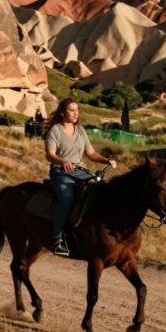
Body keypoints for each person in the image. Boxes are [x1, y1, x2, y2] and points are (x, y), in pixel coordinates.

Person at [44, 98, 117, 257]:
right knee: (66, 197)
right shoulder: (55, 131)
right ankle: (58, 239)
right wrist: (62, 161)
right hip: (61, 173)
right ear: (63, 112)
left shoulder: (81, 130)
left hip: (81, 172)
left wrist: (106, 160)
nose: (75, 113)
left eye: (77, 110)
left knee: (100, 189)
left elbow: (91, 153)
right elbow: (50, 155)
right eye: (71, 110)